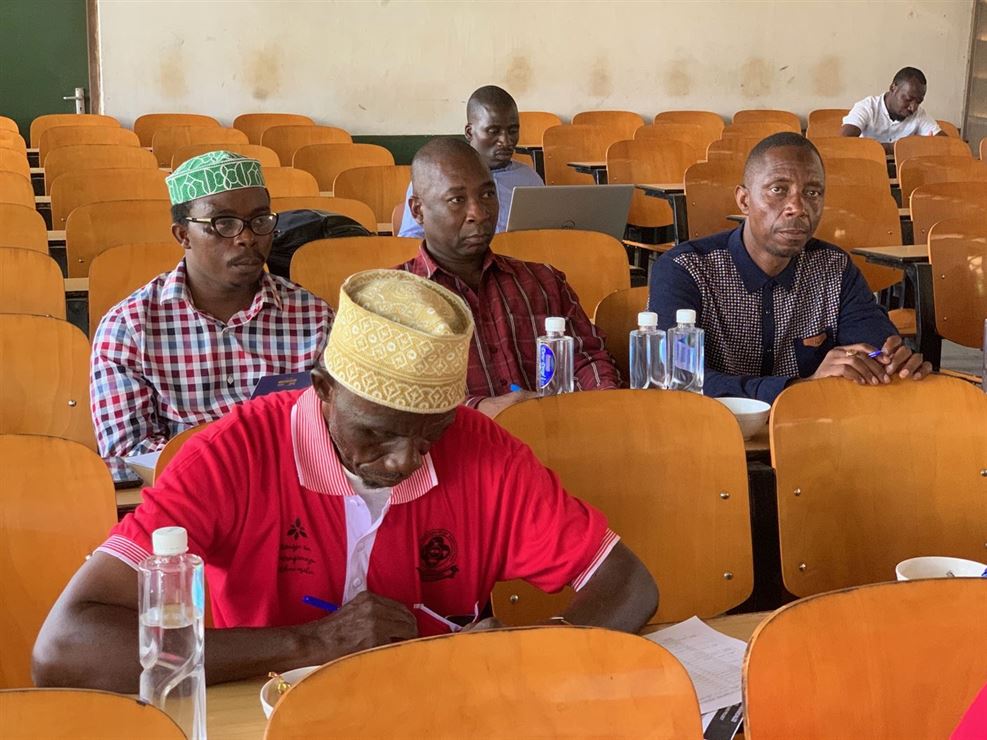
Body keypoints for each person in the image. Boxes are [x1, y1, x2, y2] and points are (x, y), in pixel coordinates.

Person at [33, 269, 658, 692]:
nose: (404, 461)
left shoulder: (483, 450)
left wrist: (538, 648)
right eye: (377, 433)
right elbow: (65, 648)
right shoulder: (230, 457)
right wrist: (309, 643)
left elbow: (627, 582)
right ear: (323, 389)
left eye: (431, 433)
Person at [648, 132, 932, 403]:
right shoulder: (686, 269)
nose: (798, 207)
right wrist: (797, 390)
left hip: (812, 429)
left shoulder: (834, 268)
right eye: (778, 190)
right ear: (744, 200)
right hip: (710, 429)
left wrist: (890, 363)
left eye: (812, 192)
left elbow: (873, 349)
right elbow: (675, 377)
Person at [90, 151, 332, 458]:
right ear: (183, 235)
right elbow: (129, 453)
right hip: (182, 485)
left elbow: (337, 426)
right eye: (223, 223)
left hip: (291, 482)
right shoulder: (129, 329)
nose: (247, 237)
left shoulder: (313, 317)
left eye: (260, 220)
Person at [398, 137, 621, 417]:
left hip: (555, 432)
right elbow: (396, 399)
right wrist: (479, 410)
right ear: (418, 211)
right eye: (457, 200)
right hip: (456, 441)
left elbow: (589, 358)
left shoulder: (543, 282)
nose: (479, 213)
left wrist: (601, 402)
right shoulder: (393, 300)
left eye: (487, 195)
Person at [397, 85, 542, 238]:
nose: (506, 141)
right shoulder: (434, 176)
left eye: (513, 131)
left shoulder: (530, 179)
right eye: (493, 131)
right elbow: (411, 239)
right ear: (469, 132)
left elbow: (549, 234)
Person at [841, 67, 945, 153]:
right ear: (893, 88)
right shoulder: (867, 107)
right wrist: (896, 147)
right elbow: (843, 142)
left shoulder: (919, 114)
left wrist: (930, 145)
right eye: (908, 99)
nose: (913, 107)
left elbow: (947, 145)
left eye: (918, 102)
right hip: (868, 168)